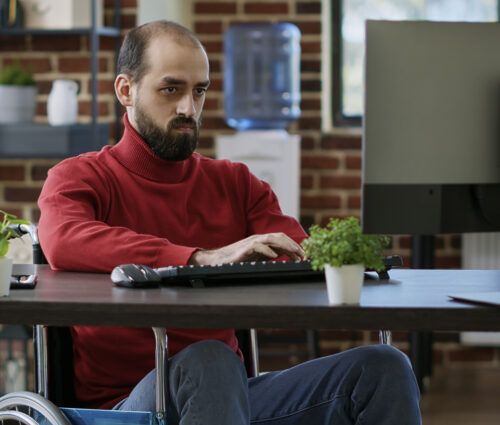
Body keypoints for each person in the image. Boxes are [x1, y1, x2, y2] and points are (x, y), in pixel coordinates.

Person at [38, 20, 422, 425]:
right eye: (171, 89)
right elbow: (64, 239)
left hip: (230, 398)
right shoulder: (79, 177)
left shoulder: (236, 183)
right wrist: (199, 258)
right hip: (129, 407)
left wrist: (342, 260)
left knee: (383, 367)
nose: (189, 108)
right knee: (208, 359)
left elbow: (298, 253)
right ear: (126, 90)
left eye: (199, 91)